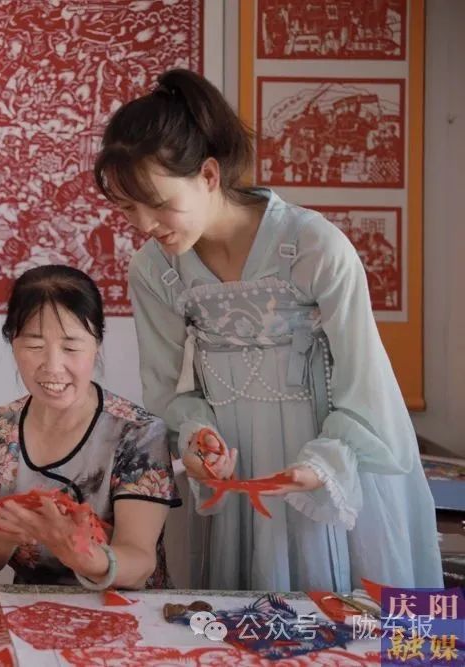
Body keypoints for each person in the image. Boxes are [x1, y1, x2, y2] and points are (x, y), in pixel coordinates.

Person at [94, 68, 442, 591]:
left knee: (337, 617)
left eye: (159, 204)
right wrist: (197, 438)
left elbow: (365, 385)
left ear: (208, 175)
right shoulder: (154, 269)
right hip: (234, 476)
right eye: (127, 208)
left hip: (325, 472)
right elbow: (165, 391)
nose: (144, 225)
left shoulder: (314, 246)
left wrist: (322, 466)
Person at [0, 265, 180, 590]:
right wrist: (6, 534)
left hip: (127, 608)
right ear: (12, 342)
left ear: (97, 343)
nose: (53, 366)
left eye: (71, 348)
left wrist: (83, 555)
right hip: (30, 609)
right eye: (34, 347)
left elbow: (139, 562)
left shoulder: (138, 433)